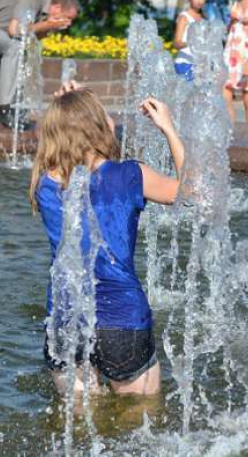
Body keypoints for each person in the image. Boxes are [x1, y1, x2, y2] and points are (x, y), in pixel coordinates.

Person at [29, 83, 185, 395]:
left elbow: (54, 141)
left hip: (65, 321)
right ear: (98, 127)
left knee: (75, 430)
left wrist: (66, 106)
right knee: (139, 425)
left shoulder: (44, 183)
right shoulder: (130, 175)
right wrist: (168, 127)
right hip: (123, 322)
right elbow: (194, 193)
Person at [0, 0, 79, 130]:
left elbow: (32, 35)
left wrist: (49, 27)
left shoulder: (46, 13)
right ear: (56, 8)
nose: (67, 23)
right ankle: (6, 109)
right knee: (14, 48)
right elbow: (15, 30)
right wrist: (48, 24)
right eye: (67, 17)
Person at [173, 0, 206, 82]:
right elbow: (176, 43)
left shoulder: (204, 17)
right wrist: (190, 42)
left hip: (200, 65)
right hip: (185, 63)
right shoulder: (184, 17)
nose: (200, 1)